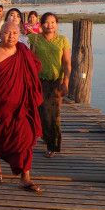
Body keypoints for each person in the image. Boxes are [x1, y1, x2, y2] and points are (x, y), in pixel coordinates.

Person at [0, 22, 44, 192]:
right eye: (7, 33)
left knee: (25, 139)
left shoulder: (23, 52)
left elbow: (34, 69)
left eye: (15, 33)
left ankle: (25, 178)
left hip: (22, 106)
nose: (11, 36)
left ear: (19, 35)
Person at [28, 13, 71, 158]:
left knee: (54, 114)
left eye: (53, 22)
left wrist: (66, 81)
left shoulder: (62, 40)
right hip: (38, 82)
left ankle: (53, 145)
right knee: (41, 113)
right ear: (41, 24)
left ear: (57, 24)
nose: (50, 25)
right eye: (47, 22)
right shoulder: (33, 39)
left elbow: (66, 63)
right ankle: (46, 137)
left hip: (56, 82)